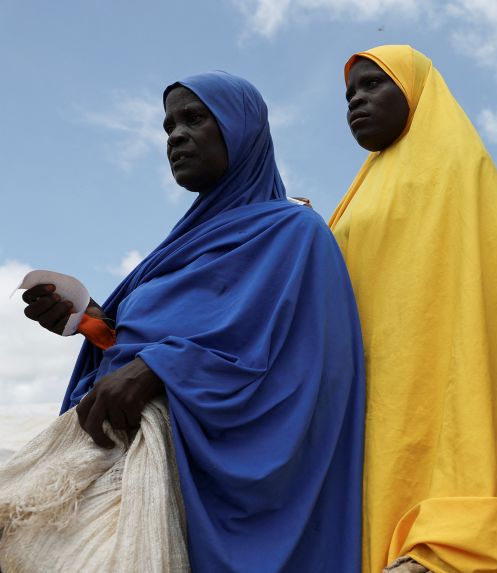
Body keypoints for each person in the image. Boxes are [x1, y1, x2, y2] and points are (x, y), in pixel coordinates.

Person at [21, 71, 365, 572]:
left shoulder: (296, 235)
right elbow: (135, 346)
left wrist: (161, 369)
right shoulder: (171, 251)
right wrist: (91, 324)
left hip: (201, 492)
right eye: (167, 126)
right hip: (117, 458)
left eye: (193, 118)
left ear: (241, 129)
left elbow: (308, 376)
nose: (176, 135)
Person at [329, 45, 497, 572]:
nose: (356, 101)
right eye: (350, 94)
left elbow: (478, 305)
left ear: (414, 91)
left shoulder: (460, 163)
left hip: (444, 376)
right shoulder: (359, 190)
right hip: (373, 389)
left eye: (373, 85)